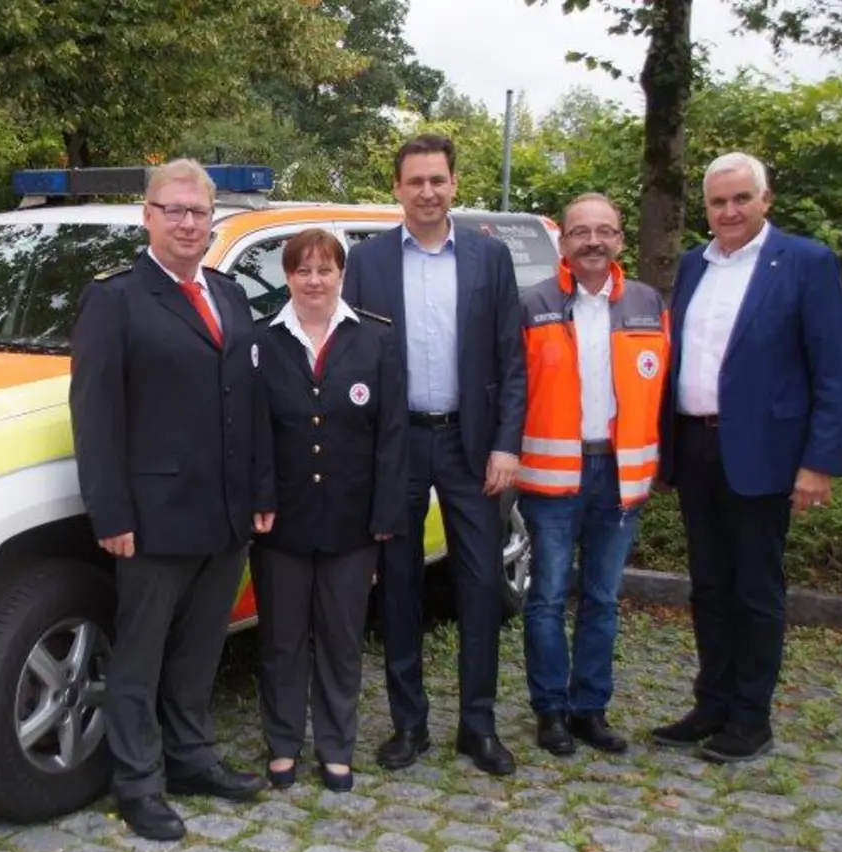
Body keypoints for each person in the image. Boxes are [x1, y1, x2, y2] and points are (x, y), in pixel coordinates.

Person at [68, 159, 270, 841]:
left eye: (198, 211)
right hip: (153, 516)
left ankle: (190, 759)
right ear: (147, 216)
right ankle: (138, 783)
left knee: (199, 649)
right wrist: (111, 512)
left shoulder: (229, 293)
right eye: (174, 210)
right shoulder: (116, 299)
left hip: (226, 510)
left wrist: (260, 491)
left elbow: (250, 401)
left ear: (214, 220)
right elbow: (95, 415)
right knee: (141, 656)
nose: (188, 223)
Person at [653, 151, 842, 763]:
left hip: (764, 454)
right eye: (718, 202)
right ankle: (711, 703)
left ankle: (751, 718)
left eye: (742, 199)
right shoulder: (694, 265)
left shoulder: (804, 263)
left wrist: (818, 461)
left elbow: (834, 371)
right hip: (695, 445)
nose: (730, 211)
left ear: (765, 200)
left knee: (756, 590)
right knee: (709, 586)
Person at [342, 134, 528, 776]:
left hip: (468, 445)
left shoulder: (488, 257)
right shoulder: (364, 262)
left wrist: (507, 443)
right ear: (396, 188)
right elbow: (350, 359)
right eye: (414, 181)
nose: (426, 191)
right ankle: (408, 724)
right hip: (395, 445)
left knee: (478, 585)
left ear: (454, 185)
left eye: (437, 180)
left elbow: (511, 359)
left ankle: (478, 726)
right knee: (398, 585)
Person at [250, 228, 408, 792]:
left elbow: (392, 436)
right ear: (287, 277)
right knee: (282, 641)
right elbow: (252, 431)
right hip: (281, 520)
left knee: (341, 639)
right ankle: (283, 743)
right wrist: (259, 496)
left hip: (351, 520)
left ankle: (337, 745)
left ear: (342, 274)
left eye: (325, 269)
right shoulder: (260, 341)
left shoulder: (376, 340)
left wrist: (385, 517)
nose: (314, 280)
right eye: (302, 270)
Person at [516, 194, 670, 757]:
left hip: (619, 476)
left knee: (603, 598)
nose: (593, 242)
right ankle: (550, 710)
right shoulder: (533, 304)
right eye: (581, 232)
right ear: (563, 244)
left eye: (604, 231)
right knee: (549, 598)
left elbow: (663, 392)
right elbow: (513, 391)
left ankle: (590, 709)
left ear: (621, 241)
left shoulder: (648, 304)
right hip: (553, 477)